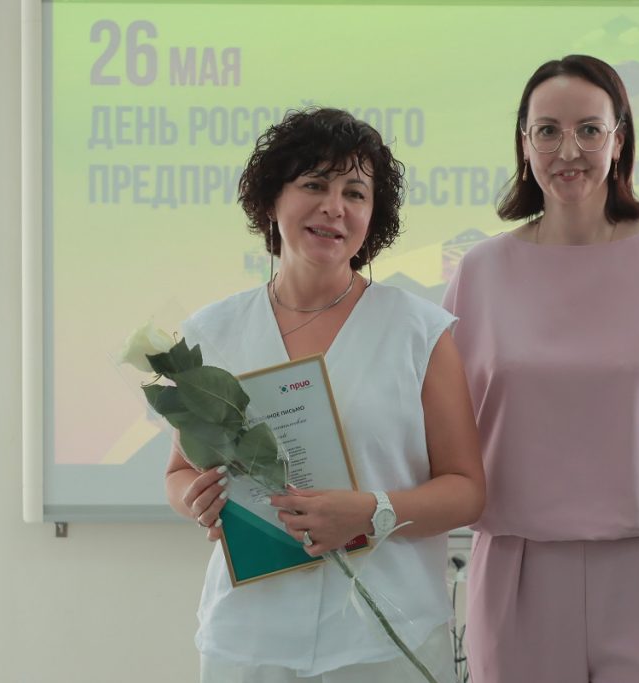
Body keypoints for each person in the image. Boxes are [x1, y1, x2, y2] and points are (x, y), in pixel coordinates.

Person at [443, 55, 639, 683]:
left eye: (589, 129)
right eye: (547, 130)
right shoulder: (480, 271)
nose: (569, 150)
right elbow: (441, 426)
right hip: (518, 571)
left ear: (620, 139)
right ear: (524, 144)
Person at [164, 107, 485, 683]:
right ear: (272, 199)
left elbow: (466, 491)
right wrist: (197, 501)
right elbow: (180, 472)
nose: (335, 207)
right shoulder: (213, 332)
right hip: (250, 636)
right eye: (314, 184)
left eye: (354, 193)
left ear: (372, 216)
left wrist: (374, 513)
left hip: (386, 638)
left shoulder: (420, 332)